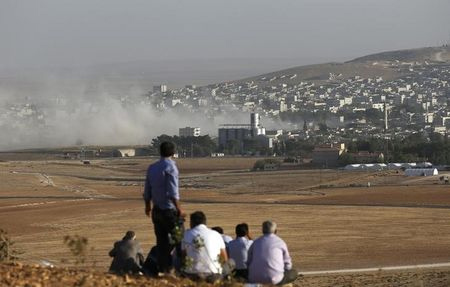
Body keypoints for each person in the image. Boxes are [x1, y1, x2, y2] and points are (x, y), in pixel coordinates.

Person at [143, 141, 185, 273]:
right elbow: (172, 191)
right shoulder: (171, 167)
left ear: (159, 152)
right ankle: (183, 269)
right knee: (180, 240)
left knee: (161, 244)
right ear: (173, 153)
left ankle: (163, 270)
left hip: (157, 211)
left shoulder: (152, 167)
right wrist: (179, 208)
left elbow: (147, 190)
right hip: (169, 211)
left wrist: (148, 207)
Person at [181, 211, 229, 282]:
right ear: (205, 222)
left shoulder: (186, 235)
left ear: (192, 223)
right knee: (231, 263)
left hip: (192, 274)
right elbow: (225, 258)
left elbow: (183, 257)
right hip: (213, 274)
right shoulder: (216, 234)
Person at [247, 221, 298, 285]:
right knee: (294, 272)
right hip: (275, 279)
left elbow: (248, 261)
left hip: (254, 278)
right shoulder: (280, 242)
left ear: (262, 230)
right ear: (276, 231)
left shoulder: (255, 242)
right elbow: (288, 264)